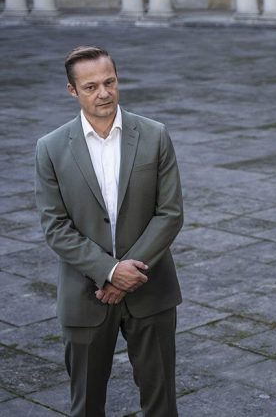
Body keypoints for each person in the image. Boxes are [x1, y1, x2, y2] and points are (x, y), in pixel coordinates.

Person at [35, 46, 183, 417]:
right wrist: (111, 271)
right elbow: (56, 226)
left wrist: (127, 274)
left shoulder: (155, 135)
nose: (103, 93)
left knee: (162, 405)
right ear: (72, 91)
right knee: (86, 405)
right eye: (90, 87)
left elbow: (170, 213)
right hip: (85, 295)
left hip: (152, 291)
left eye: (109, 82)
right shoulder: (50, 148)